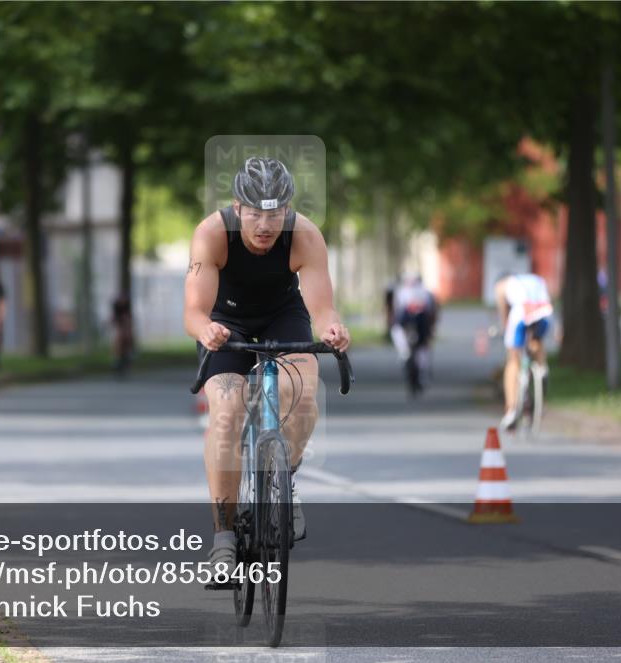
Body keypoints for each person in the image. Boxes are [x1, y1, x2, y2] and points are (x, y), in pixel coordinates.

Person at [183, 157, 350, 572]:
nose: (264, 225)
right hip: (226, 322)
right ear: (237, 208)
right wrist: (206, 331)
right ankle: (223, 536)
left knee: (304, 392)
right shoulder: (212, 234)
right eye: (255, 212)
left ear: (287, 210)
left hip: (282, 315)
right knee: (227, 413)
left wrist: (333, 329)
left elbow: (323, 309)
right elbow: (194, 311)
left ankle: (283, 477)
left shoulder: (305, 236)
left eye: (275, 213)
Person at [494, 271, 553, 430]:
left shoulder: (502, 285)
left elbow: (503, 312)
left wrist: (505, 327)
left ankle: (511, 410)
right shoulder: (538, 280)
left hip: (521, 312)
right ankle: (542, 368)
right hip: (544, 310)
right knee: (537, 341)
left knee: (513, 359)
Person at [388, 272, 438, 394]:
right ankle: (408, 358)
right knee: (421, 347)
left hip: (415, 322)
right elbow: (432, 313)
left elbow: (396, 312)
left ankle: (405, 356)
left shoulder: (403, 291)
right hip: (411, 322)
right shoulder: (425, 292)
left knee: (415, 346)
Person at [111, 292, 135, 377]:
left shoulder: (127, 305)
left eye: (124, 300)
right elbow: (114, 318)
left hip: (126, 321)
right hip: (119, 321)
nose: (123, 301)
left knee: (128, 335)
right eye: (122, 300)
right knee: (118, 338)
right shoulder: (116, 305)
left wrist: (128, 328)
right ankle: (116, 357)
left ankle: (130, 351)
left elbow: (128, 317)